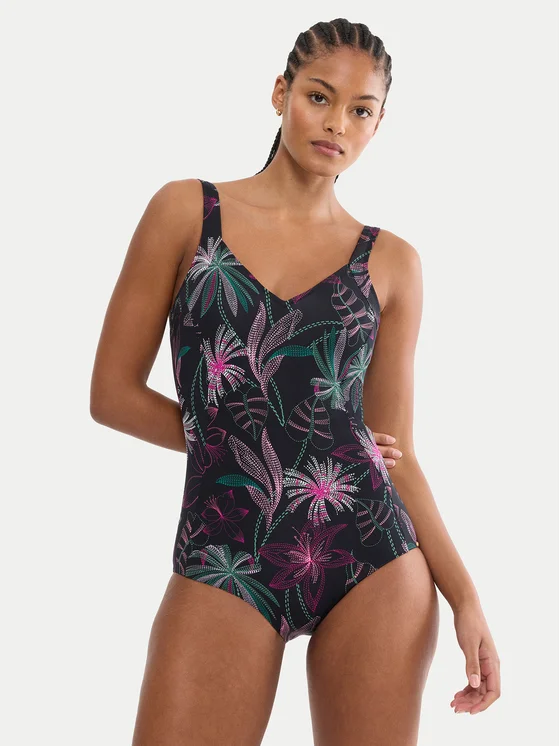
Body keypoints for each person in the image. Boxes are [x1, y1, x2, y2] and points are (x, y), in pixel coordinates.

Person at [90, 17, 501, 746]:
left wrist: (466, 597)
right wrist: (244, 441)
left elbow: (396, 452)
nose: (337, 122)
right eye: (319, 96)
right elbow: (112, 395)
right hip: (227, 551)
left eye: (361, 110)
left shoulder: (392, 263)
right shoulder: (187, 212)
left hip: (373, 557)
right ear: (280, 93)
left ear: (378, 124)